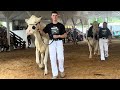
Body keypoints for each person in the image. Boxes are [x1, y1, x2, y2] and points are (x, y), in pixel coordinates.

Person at [43, 11, 67, 79]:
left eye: (56, 15)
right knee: (52, 58)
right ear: (51, 16)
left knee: (60, 58)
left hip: (59, 42)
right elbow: (43, 32)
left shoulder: (61, 25)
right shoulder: (48, 26)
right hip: (52, 42)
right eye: (53, 15)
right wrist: (38, 29)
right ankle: (55, 74)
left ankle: (61, 71)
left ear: (58, 16)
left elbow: (65, 35)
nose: (54, 17)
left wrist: (59, 36)